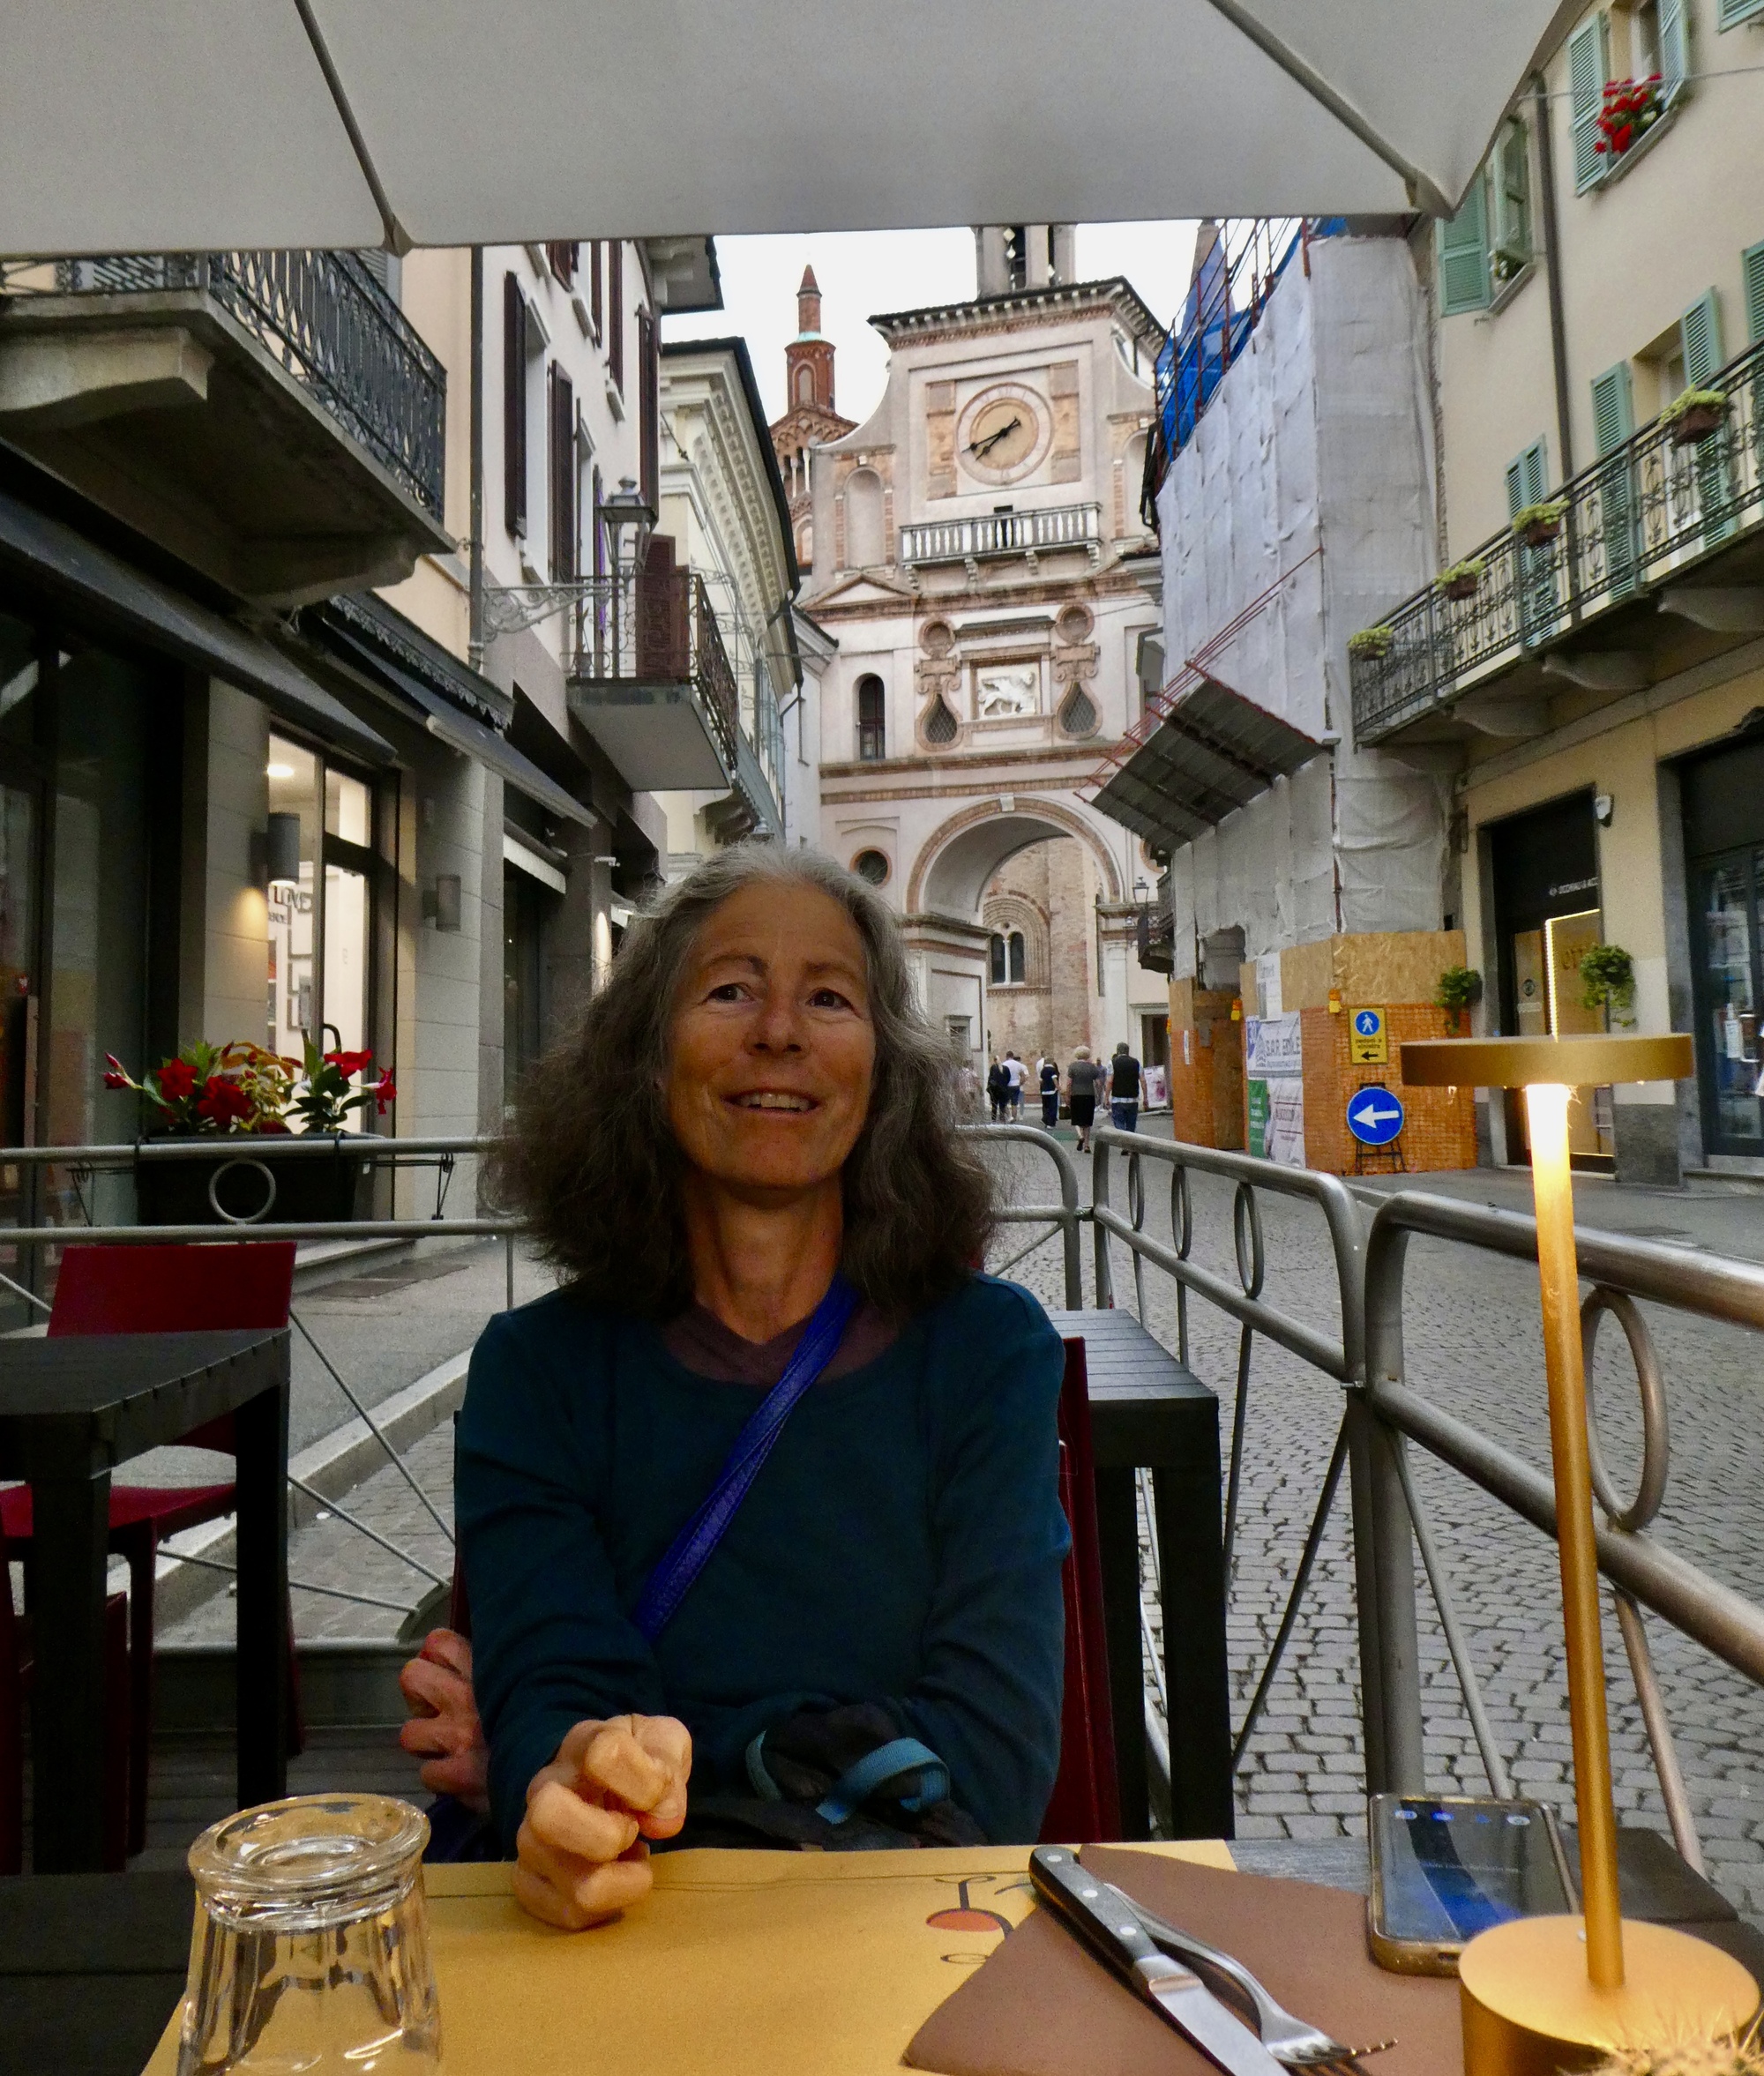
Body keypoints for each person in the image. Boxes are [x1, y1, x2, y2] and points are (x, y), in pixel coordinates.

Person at [399, 846, 1068, 1930]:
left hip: (902, 1950)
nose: (780, 1032)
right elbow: (561, 1713)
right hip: (618, 1952)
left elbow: (989, 1764)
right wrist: (558, 1767)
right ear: (645, 1054)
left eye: (829, 997)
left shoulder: (987, 1353)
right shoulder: (537, 1370)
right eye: (729, 990)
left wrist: (601, 1758)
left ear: (883, 1069)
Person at [1064, 1044, 1102, 1152]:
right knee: (1087, 1121)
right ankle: (1087, 1145)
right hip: (1089, 1095)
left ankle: (1080, 1136)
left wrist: (1067, 1095)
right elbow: (1099, 1083)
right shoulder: (1092, 1067)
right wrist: (1098, 1095)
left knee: (1076, 1118)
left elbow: (1069, 1083)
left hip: (1076, 1095)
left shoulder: (1072, 1067)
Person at [1108, 1041, 1141, 1133]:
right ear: (1128, 1051)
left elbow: (1110, 1081)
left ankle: (1122, 1139)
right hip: (1133, 1098)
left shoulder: (1112, 1063)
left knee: (1119, 1123)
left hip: (1118, 1098)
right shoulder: (1136, 1062)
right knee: (1131, 1124)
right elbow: (1143, 1080)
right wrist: (1145, 1097)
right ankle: (1129, 1140)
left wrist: (1106, 1097)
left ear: (1117, 1051)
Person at [1037, 1055, 1060, 1131]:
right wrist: (1058, 1086)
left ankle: (1045, 1120)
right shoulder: (1052, 1070)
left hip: (1044, 1091)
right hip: (1052, 1091)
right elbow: (1054, 1079)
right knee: (1053, 1107)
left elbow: (1041, 1080)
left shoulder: (1043, 1070)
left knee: (1046, 1107)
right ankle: (1050, 1123)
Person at [985, 1054, 1010, 1123]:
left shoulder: (993, 1068)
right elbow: (1008, 1078)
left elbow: (990, 1078)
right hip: (1003, 1089)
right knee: (1002, 1105)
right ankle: (1002, 1118)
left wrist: (989, 1088)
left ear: (994, 1060)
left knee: (994, 1106)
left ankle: (994, 1119)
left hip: (994, 1090)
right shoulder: (1006, 1068)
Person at [1004, 1050, 1027, 1119]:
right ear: (1012, 1056)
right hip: (1016, 1085)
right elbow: (1023, 1076)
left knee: (1004, 1103)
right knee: (1014, 1103)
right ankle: (1014, 1117)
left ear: (1007, 1056)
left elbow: (1002, 1076)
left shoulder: (1004, 1064)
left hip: (1007, 1085)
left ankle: (1009, 1116)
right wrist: (1020, 1083)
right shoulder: (1018, 1064)